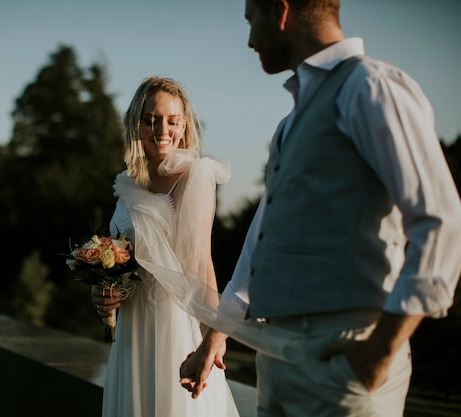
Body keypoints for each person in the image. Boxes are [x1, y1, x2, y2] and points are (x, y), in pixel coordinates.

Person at [179, 1, 461, 416]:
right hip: (274, 359)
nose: (250, 40)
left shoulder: (370, 87)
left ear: (280, 11)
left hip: (344, 360)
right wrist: (216, 338)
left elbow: (440, 220)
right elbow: (261, 246)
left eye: (251, 20)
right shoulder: (289, 123)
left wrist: (380, 351)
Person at [91, 76, 240, 417]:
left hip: (174, 329)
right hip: (131, 335)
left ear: (184, 125)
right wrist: (104, 295)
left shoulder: (195, 176)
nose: (162, 130)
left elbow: (201, 264)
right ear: (137, 123)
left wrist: (211, 340)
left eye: (172, 121)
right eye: (151, 120)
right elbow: (120, 260)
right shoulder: (128, 181)